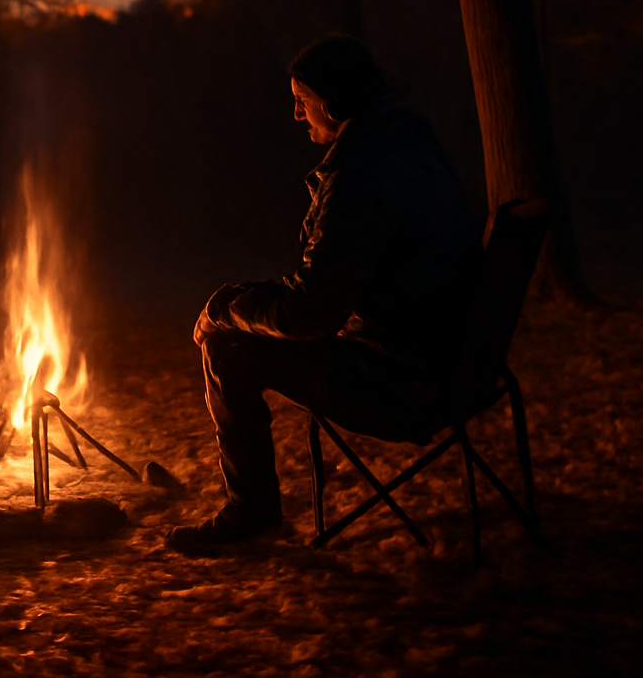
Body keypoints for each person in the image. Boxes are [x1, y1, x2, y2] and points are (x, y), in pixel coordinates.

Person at [166, 33, 481, 557]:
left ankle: (253, 513)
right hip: (448, 360)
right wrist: (242, 297)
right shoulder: (408, 144)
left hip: (404, 382)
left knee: (229, 349)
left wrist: (224, 309)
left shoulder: (362, 175)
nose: (296, 114)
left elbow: (310, 312)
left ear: (335, 101)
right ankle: (254, 510)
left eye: (303, 100)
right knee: (240, 332)